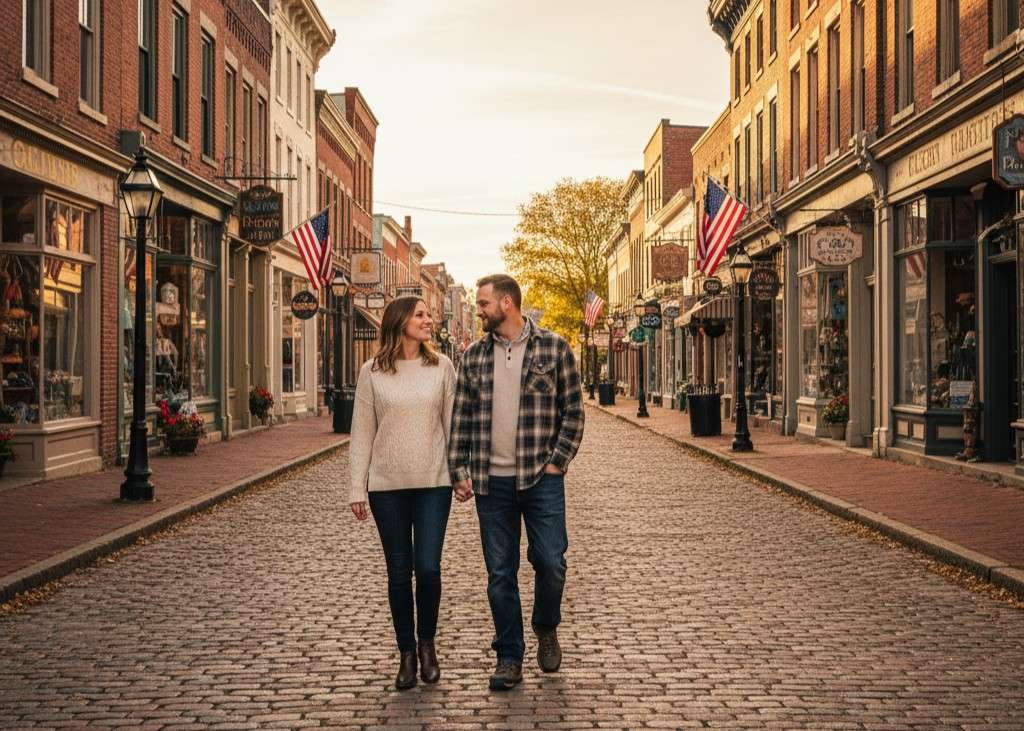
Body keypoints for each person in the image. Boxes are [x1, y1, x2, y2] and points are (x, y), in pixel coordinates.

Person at [448, 274, 585, 690]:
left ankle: (546, 625)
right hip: (493, 484)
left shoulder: (554, 348)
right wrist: (460, 470)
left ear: (507, 303)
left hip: (541, 478)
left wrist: (558, 463)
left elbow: (574, 413)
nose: (480, 309)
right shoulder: (472, 357)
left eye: (485, 302)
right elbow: (462, 418)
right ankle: (509, 656)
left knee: (551, 562)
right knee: (500, 574)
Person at [349, 296, 457, 690]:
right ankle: (406, 654)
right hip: (387, 487)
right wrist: (355, 487)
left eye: (429, 314)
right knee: (399, 571)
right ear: (400, 322)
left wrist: (459, 474)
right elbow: (362, 430)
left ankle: (427, 643)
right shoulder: (372, 371)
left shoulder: (441, 366)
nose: (429, 320)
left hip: (433, 482)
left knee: (427, 568)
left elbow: (452, 426)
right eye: (421, 315)